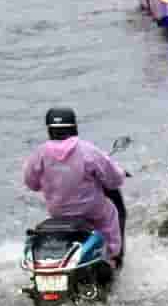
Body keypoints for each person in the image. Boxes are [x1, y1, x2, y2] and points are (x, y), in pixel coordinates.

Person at [23, 107, 127, 267]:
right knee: (111, 212)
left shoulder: (40, 153)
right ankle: (112, 256)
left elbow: (31, 182)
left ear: (49, 130)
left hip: (58, 212)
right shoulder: (87, 150)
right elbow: (113, 179)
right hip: (91, 210)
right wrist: (121, 173)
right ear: (74, 127)